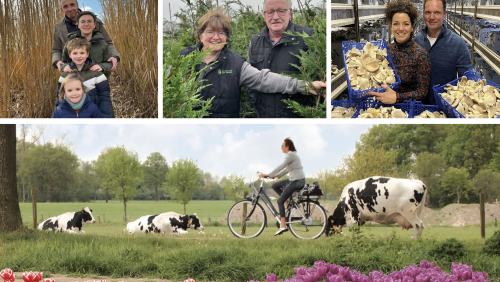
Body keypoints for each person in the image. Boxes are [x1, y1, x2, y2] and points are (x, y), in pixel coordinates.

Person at [179, 8, 326, 118]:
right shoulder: (183, 57)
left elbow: (265, 80)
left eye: (222, 33)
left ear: (227, 37)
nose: (216, 37)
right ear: (200, 36)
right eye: (210, 32)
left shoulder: (236, 64)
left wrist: (303, 85)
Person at [248, 0, 315, 118]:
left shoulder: (307, 37)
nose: (275, 17)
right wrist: (256, 106)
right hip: (264, 115)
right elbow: (251, 79)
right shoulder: (255, 41)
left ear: (289, 13)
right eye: (270, 12)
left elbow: (317, 79)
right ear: (264, 15)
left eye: (281, 11)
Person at [367, 0, 431, 104]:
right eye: (396, 24)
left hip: (408, 110)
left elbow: (422, 93)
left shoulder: (421, 55)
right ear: (391, 27)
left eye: (406, 24)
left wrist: (397, 97)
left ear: (412, 27)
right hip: (382, 109)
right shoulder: (384, 52)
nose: (401, 29)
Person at [414, 0, 472, 105]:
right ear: (423, 13)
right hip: (418, 106)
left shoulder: (458, 44)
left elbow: (468, 80)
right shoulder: (416, 41)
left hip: (446, 106)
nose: (432, 17)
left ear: (444, 14)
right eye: (428, 12)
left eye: (437, 12)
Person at [52, 0, 119, 72]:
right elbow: (57, 49)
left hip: (97, 72)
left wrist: (114, 56)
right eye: (65, 6)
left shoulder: (95, 21)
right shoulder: (59, 27)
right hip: (73, 74)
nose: (70, 9)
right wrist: (57, 61)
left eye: (72, 5)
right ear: (62, 9)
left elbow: (108, 42)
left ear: (77, 5)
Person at [259, 138, 305, 236]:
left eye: (282, 146)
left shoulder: (290, 155)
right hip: (295, 179)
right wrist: (275, 176)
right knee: (275, 185)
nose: (281, 148)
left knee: (279, 201)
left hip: (296, 181)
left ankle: (283, 226)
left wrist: (268, 174)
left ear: (287, 146)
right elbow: (287, 169)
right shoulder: (292, 155)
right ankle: (287, 202)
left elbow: (281, 166)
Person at [56, 38, 112, 118]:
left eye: (82, 53)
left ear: (87, 54)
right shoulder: (65, 75)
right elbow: (60, 97)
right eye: (75, 53)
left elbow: (104, 98)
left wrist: (105, 117)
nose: (78, 56)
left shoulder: (96, 73)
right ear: (69, 55)